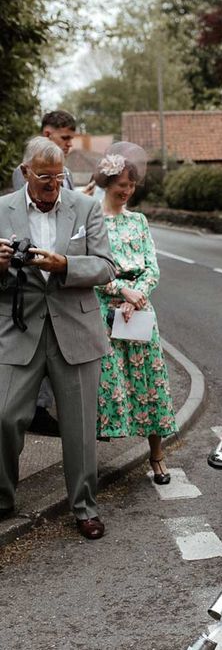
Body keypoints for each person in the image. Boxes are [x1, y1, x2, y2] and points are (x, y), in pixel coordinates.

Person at [0, 137, 116, 538]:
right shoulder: (1, 209)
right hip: (19, 328)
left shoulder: (85, 207)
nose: (53, 183)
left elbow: (106, 267)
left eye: (59, 175)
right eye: (44, 176)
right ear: (25, 171)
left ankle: (84, 508)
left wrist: (65, 264)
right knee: (3, 416)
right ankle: (3, 498)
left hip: (76, 328)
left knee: (80, 426)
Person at [93, 145, 177, 484]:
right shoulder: (93, 221)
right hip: (106, 313)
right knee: (108, 384)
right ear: (107, 182)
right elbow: (93, 270)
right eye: (121, 184)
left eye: (132, 185)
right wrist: (120, 291)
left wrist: (137, 295)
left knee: (150, 382)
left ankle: (157, 455)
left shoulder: (139, 221)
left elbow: (152, 268)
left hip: (139, 311)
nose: (126, 191)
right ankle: (91, 462)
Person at [11, 110, 78, 435]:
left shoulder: (66, 175)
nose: (69, 144)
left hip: (63, 291)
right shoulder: (23, 176)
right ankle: (33, 412)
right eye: (65, 137)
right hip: (31, 292)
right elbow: (24, 221)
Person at [12, 110, 76, 191]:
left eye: (71, 139)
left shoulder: (67, 172)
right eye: (64, 138)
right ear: (47, 135)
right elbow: (25, 202)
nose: (70, 144)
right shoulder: (26, 171)